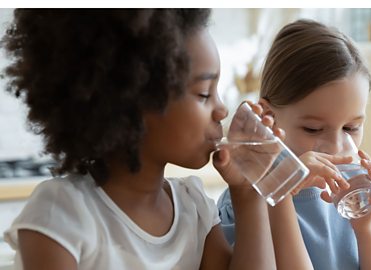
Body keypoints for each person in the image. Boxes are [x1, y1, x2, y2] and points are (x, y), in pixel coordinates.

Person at [1, 9, 314, 270]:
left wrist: (247, 193)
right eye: (204, 94)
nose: (221, 110)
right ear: (134, 102)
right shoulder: (63, 216)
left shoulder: (194, 210)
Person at [218, 19, 371, 270]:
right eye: (313, 129)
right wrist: (281, 185)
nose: (337, 146)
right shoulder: (246, 200)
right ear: (268, 118)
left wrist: (365, 228)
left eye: (351, 128)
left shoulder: (358, 196)